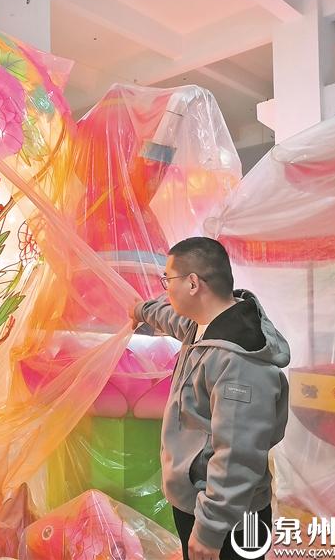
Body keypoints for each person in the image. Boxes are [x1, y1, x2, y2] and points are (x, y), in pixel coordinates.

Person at [130, 237, 289, 560]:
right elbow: (173, 319)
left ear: (192, 283)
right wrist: (140, 311)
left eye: (167, 279)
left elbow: (237, 456)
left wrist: (210, 529)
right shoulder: (207, 326)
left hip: (231, 518)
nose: (165, 288)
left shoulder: (239, 362)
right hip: (200, 501)